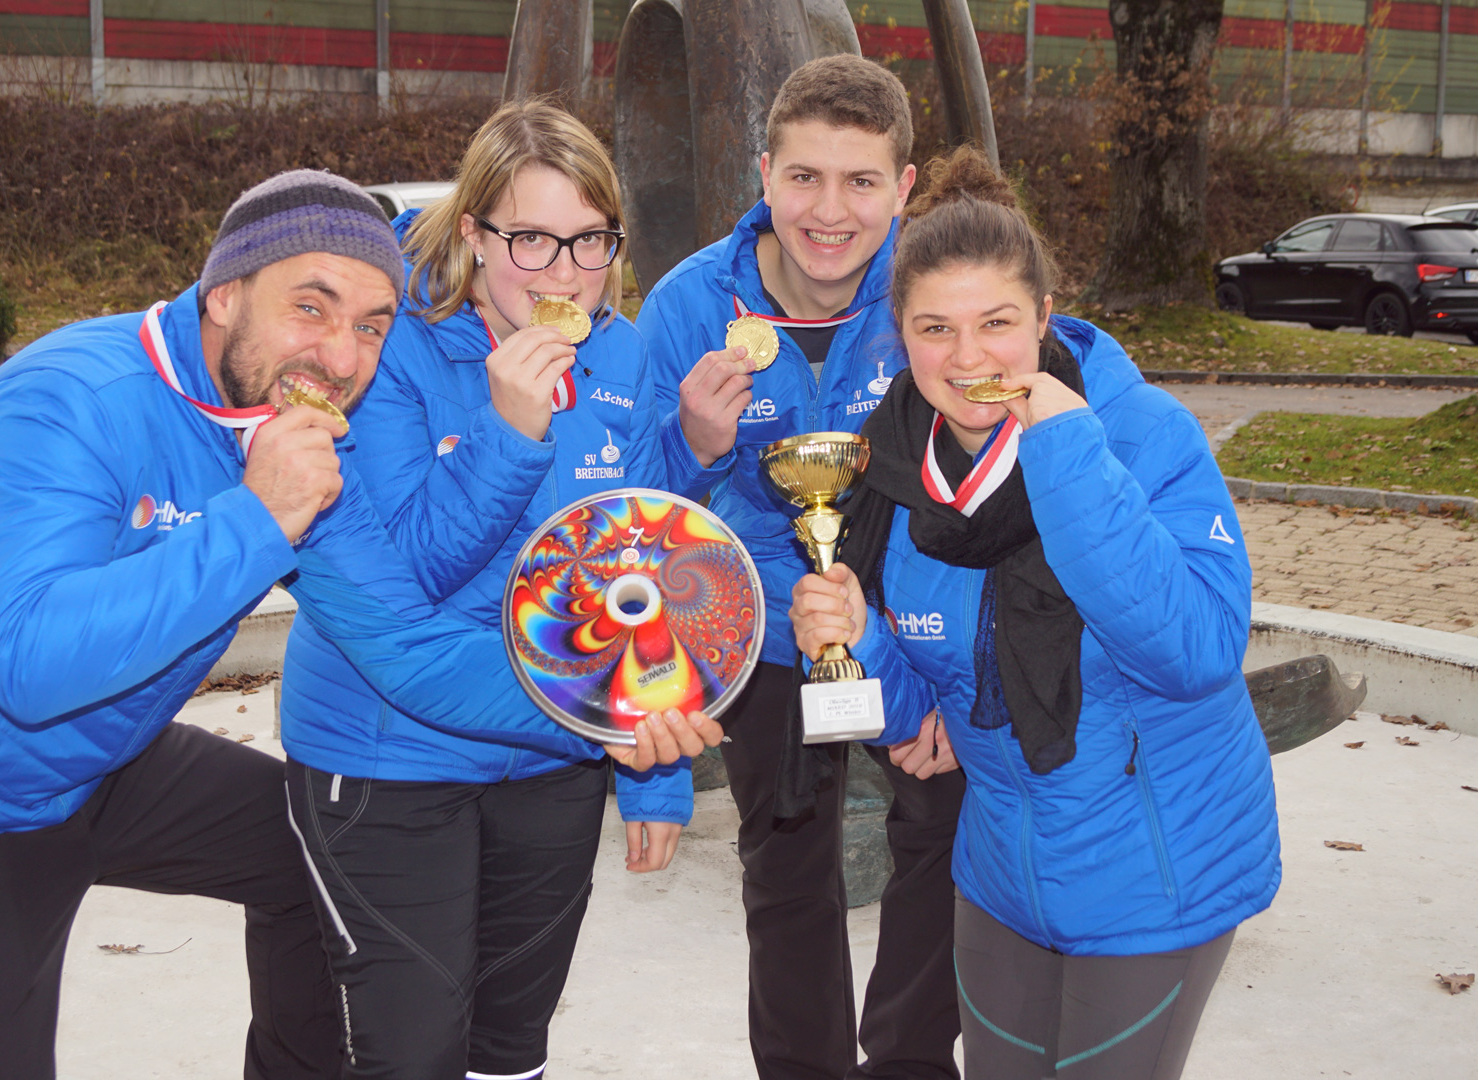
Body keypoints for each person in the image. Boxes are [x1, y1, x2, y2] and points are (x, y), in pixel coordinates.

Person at [0, 167, 720, 1080]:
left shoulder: (300, 428)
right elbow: (31, 666)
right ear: (224, 294)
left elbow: (399, 630)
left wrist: (616, 708)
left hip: (99, 769)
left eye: (371, 325)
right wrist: (256, 517)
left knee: (316, 863)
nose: (342, 357)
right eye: (310, 309)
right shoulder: (68, 399)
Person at [788, 147, 1280, 1080]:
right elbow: (935, 708)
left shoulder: (1137, 435)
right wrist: (857, 641)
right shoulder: (889, 470)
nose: (968, 358)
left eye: (997, 323)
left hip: (1150, 872)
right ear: (900, 332)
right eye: (936, 328)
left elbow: (1193, 651)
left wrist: (1063, 450)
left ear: (1045, 318)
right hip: (1000, 872)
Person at [277, 99, 726, 1080]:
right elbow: (413, 575)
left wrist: (658, 769)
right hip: (392, 757)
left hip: (551, 764)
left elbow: (629, 568)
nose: (565, 274)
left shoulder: (622, 347)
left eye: (591, 242)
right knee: (408, 1057)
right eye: (532, 239)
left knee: (511, 1049)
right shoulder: (389, 345)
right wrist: (508, 433)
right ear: (475, 233)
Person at [636, 54, 966, 1079]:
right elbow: (633, 520)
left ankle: (908, 1060)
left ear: (905, 189)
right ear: (764, 172)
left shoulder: (932, 292)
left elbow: (999, 474)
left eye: (863, 181)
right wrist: (690, 442)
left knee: (949, 832)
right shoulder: (692, 303)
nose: (831, 211)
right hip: (763, 635)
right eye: (806, 178)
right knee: (785, 875)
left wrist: (973, 663)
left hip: (901, 621)